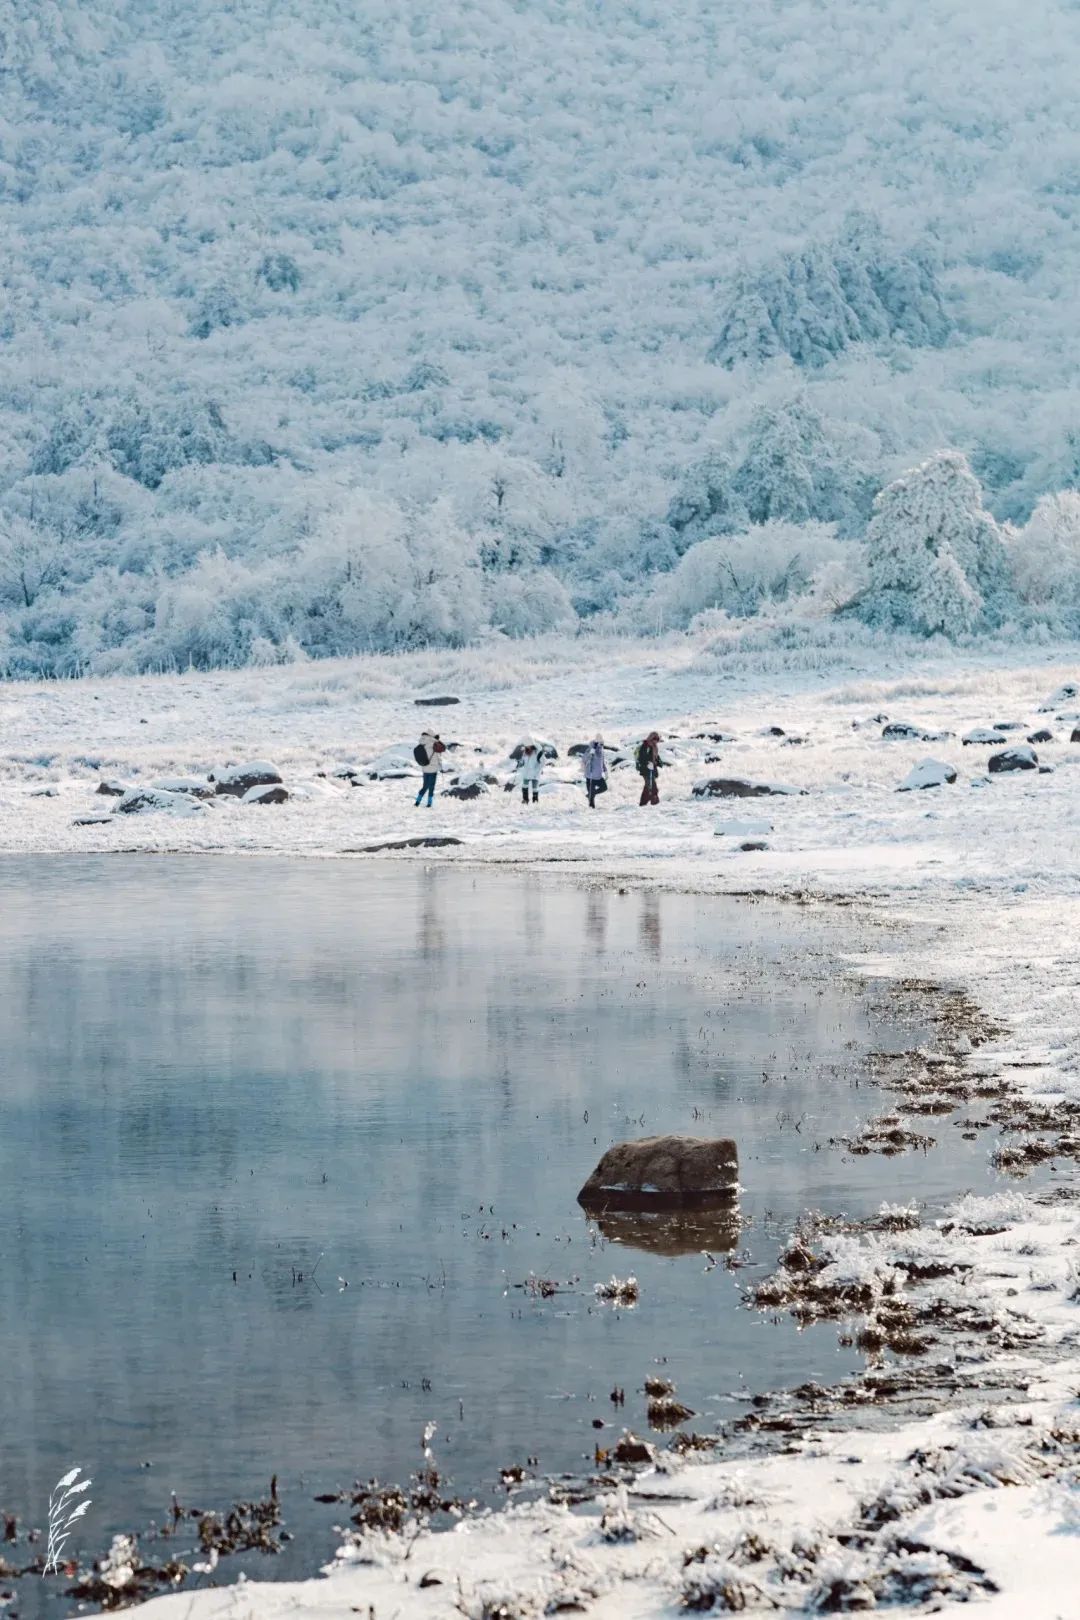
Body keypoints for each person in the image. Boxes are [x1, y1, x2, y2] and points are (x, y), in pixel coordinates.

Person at [413, 731, 445, 807]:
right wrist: (441, 768)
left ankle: (418, 801)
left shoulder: (422, 743)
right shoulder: (434, 744)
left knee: (425, 786)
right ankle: (429, 803)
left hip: (425, 768)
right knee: (431, 787)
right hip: (433, 769)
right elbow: (441, 753)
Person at [635, 732, 662, 806]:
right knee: (653, 787)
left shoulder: (654, 747)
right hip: (645, 770)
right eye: (655, 739)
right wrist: (647, 764)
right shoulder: (645, 746)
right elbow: (641, 758)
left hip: (652, 770)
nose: (656, 741)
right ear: (651, 738)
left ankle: (643, 804)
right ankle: (655, 804)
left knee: (648, 787)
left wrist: (660, 762)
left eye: (657, 739)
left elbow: (655, 757)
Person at [582, 736, 607, 808]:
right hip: (590, 776)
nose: (602, 745)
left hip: (598, 776)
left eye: (602, 744)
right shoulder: (589, 750)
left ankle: (590, 794)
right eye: (600, 744)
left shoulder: (601, 751)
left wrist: (605, 771)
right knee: (591, 800)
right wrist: (591, 753)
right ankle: (591, 815)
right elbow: (584, 759)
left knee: (604, 787)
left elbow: (602, 763)